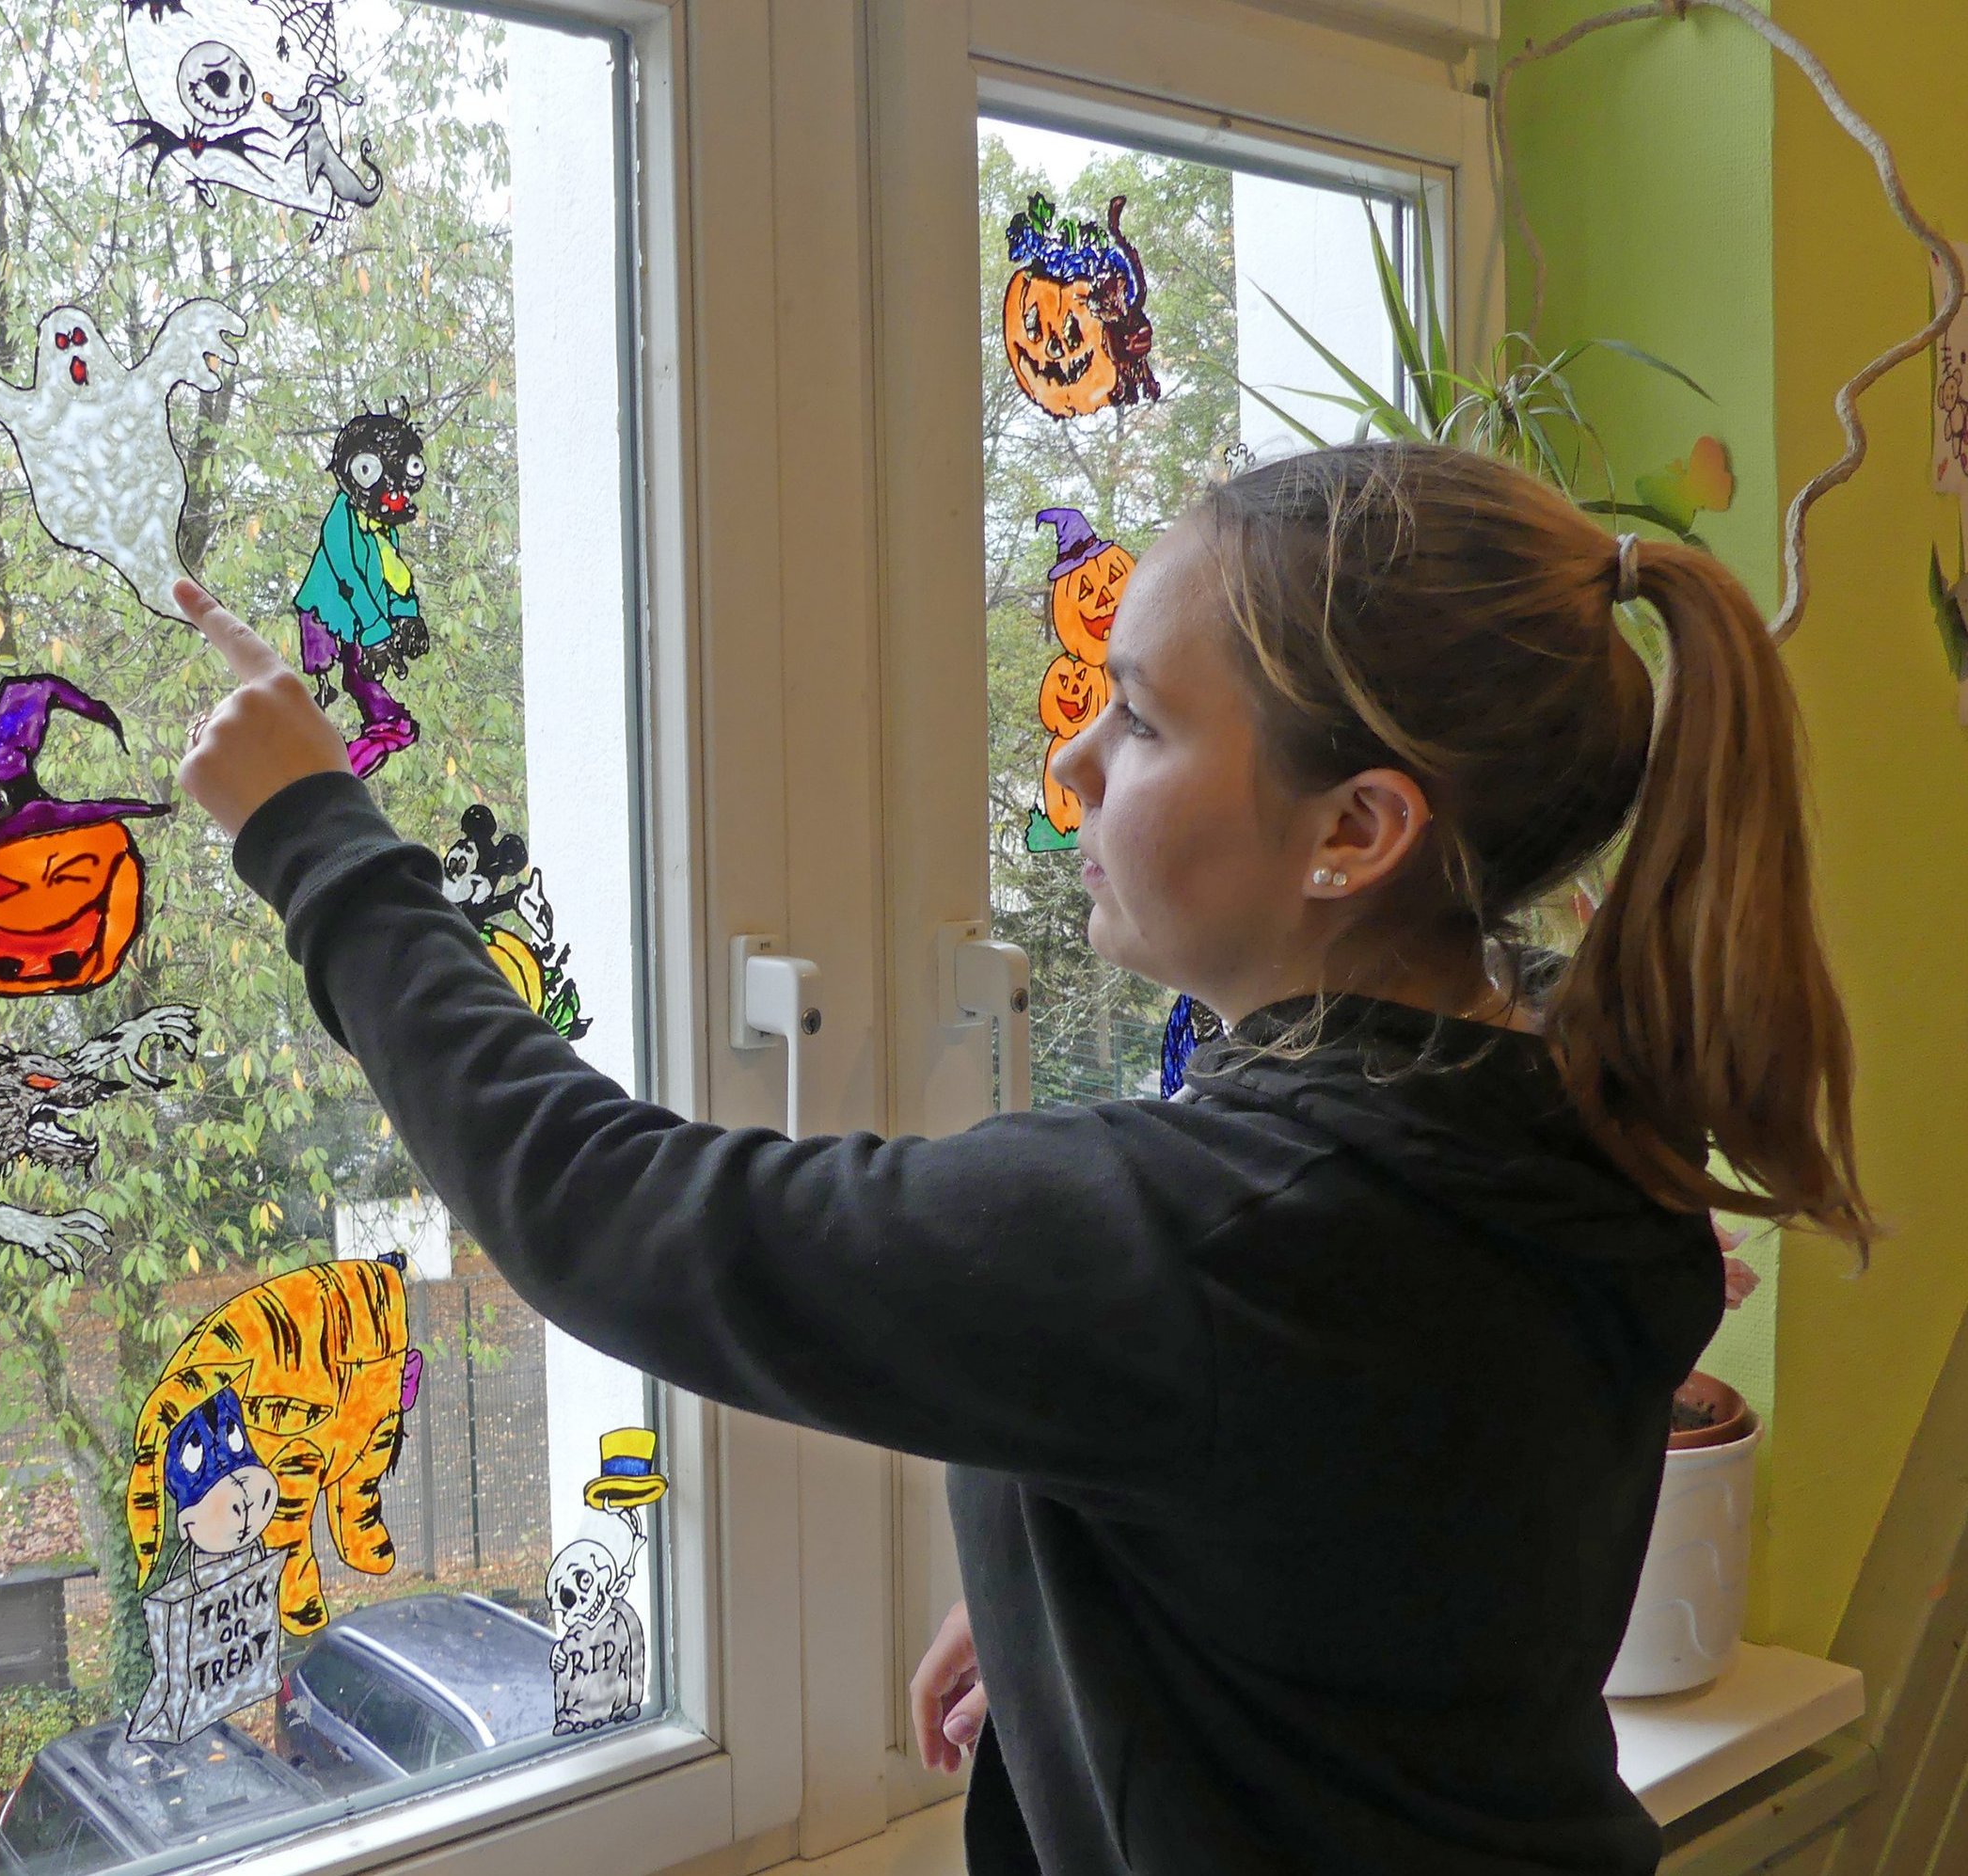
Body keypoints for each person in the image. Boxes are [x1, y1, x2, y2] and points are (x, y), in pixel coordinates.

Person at [165, 440, 1874, 1875]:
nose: (1072, 760)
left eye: (1136, 718)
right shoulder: (1559, 1099)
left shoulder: (1222, 1234)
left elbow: (611, 1215)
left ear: (1358, 830)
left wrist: (322, 839)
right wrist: (1103, 1589)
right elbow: (1382, 1513)